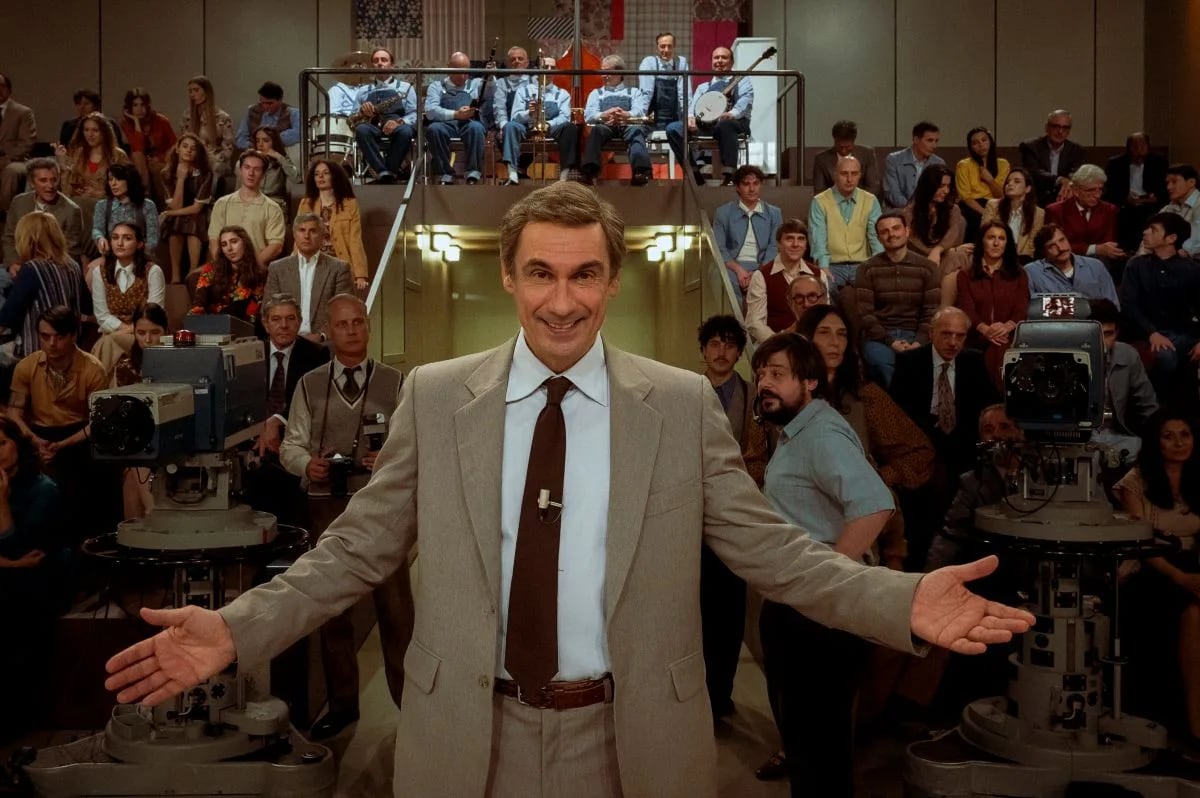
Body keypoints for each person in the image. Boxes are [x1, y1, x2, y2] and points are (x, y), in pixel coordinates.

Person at [104, 181, 1033, 798]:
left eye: (585, 274)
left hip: (632, 743)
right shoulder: (437, 397)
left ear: (613, 279)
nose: (562, 299)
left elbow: (775, 552)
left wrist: (901, 601)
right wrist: (237, 630)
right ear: (509, 276)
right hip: (468, 739)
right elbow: (353, 550)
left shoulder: (678, 407)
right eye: (541, 274)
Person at [752, 332, 893, 798]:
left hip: (817, 616)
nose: (764, 383)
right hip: (797, 605)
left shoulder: (822, 434)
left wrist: (824, 578)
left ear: (810, 380)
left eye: (777, 374)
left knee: (820, 749)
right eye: (761, 374)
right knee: (806, 745)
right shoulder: (796, 432)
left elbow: (874, 505)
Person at [278, 293, 413, 741]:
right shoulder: (309, 384)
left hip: (383, 509)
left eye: (358, 322)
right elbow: (290, 445)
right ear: (328, 331)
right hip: (327, 507)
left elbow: (415, 444)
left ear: (368, 326)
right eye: (342, 324)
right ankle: (342, 707)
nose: (352, 330)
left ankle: (410, 708)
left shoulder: (397, 382)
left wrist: (387, 459)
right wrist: (306, 465)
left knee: (397, 612)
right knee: (333, 609)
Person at [799, 304, 934, 567]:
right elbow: (755, 460)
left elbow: (920, 451)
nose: (835, 342)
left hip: (856, 528)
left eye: (841, 334)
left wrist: (879, 477)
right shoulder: (785, 396)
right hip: (799, 526)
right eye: (824, 332)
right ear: (806, 339)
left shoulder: (865, 397)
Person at [1114, 412, 1200, 753]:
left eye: (1185, 434)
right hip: (1152, 568)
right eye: (1168, 436)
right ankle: (1195, 727)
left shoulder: (1198, 478)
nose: (1179, 443)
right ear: (1155, 442)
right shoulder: (1135, 482)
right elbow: (1139, 541)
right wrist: (1181, 578)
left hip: (1193, 564)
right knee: (1193, 614)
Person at [695, 315, 766, 721]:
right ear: (703, 350)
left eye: (729, 344)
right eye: (714, 344)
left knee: (729, 612)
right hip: (691, 516)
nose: (721, 352)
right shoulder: (683, 392)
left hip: (736, 515)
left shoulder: (754, 397)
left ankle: (720, 695)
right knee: (693, 611)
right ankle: (695, 697)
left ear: (739, 352)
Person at [891, 306, 1000, 566]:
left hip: (962, 442)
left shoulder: (973, 361)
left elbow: (989, 405)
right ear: (931, 333)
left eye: (960, 336)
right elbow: (897, 413)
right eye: (946, 334)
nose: (953, 342)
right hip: (922, 441)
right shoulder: (910, 362)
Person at [7, 306, 115, 540]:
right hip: (37, 434)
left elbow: (99, 421)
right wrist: (35, 440)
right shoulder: (26, 366)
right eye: (45, 336)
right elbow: (14, 412)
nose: (51, 343)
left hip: (78, 435)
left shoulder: (92, 369)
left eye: (59, 337)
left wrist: (63, 445)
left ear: (73, 336)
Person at [0, 414, 66, 743]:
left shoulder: (43, 490)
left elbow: (24, 552)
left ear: (18, 446)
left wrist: (1, 504)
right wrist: (8, 564)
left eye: (1, 444)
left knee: (15, 598)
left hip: (41, 579)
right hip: (10, 575)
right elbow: (12, 560)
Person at [245, 293, 330, 528]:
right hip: (253, 442)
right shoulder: (249, 353)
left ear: (299, 321)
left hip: (294, 438)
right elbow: (242, 399)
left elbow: (313, 401)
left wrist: (277, 420)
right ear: (265, 323)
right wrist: (260, 427)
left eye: (290, 319)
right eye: (276, 319)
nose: (284, 325)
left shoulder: (316, 354)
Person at [854, 211, 940, 387]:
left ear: (907, 231)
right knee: (887, 365)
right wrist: (891, 342)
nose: (891, 234)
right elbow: (865, 315)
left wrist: (919, 342)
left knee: (918, 365)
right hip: (880, 336)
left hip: (917, 334)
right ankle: (901, 402)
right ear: (878, 238)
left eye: (896, 228)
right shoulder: (866, 269)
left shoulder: (928, 268)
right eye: (884, 231)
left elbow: (931, 311)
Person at [1118, 212, 1200, 393]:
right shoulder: (1136, 265)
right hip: (1145, 333)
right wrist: (1151, 332)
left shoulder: (1192, 269)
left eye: (1153, 230)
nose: (1145, 232)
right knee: (1165, 356)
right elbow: (1129, 304)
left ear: (1171, 238)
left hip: (1183, 334)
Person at [0, 213, 89, 363]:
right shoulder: (73, 265)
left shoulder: (31, 269)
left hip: (39, 352)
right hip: (71, 349)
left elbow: (8, 317)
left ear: (27, 239)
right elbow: (87, 307)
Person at [954, 221, 1030, 390]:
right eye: (991, 238)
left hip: (1009, 337)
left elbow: (1021, 309)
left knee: (1000, 348)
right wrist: (986, 330)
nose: (996, 243)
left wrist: (1005, 328)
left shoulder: (1019, 274)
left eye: (1001, 238)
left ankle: (995, 400)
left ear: (1007, 243)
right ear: (982, 241)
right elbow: (967, 309)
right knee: (994, 350)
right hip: (976, 337)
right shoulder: (965, 275)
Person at [112, 303, 168, 519]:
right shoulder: (126, 367)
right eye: (141, 333)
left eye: (155, 332)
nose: (148, 339)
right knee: (134, 469)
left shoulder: (180, 363)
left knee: (133, 476)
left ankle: (151, 518)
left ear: (166, 331)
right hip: (138, 440)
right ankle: (150, 519)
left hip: (170, 435)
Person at [90, 222, 166, 376]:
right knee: (109, 341)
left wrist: (134, 330)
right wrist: (123, 329)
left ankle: (98, 385)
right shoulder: (100, 272)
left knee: (108, 342)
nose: (120, 243)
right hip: (113, 332)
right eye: (115, 238)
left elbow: (154, 313)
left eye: (127, 238)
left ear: (139, 244)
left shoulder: (153, 271)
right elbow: (102, 316)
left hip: (145, 335)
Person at [1087, 299, 1157, 461]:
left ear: (1117, 333)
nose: (1101, 342)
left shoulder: (1127, 355)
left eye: (1108, 334)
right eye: (1095, 334)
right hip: (1076, 439)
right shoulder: (1065, 356)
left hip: (1114, 437)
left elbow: (1148, 407)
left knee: (1146, 448)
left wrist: (1158, 436)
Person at [673, 46, 753, 186]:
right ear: (711, 62)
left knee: (725, 124)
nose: (719, 60)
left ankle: (730, 174)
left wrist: (732, 113)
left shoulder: (742, 80)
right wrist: (691, 117)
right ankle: (693, 172)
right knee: (674, 129)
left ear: (732, 62)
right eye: (716, 58)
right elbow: (693, 108)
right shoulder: (703, 87)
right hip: (707, 126)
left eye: (724, 57)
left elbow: (745, 101)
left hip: (735, 124)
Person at [264, 214, 352, 342]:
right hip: (285, 341)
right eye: (302, 230)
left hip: (323, 343)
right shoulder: (277, 268)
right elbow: (267, 310)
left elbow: (344, 312)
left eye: (313, 231)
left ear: (323, 237)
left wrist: (322, 336)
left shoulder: (339, 268)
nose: (306, 236)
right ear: (294, 235)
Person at [498, 56, 582, 186]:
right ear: (538, 69)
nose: (548, 71)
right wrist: (529, 113)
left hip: (550, 128)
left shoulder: (562, 94)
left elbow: (564, 117)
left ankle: (563, 178)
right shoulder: (523, 91)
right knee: (510, 126)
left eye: (552, 68)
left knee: (570, 127)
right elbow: (515, 116)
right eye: (545, 67)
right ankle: (512, 174)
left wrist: (548, 124)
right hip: (528, 127)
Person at [744, 219, 828, 344]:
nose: (795, 244)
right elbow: (754, 322)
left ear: (806, 244)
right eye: (789, 239)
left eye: (801, 239)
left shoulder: (819, 274)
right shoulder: (761, 276)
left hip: (812, 344)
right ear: (778, 244)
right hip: (776, 344)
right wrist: (780, 341)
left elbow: (825, 315)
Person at [809, 155, 883, 290]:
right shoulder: (819, 201)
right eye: (844, 174)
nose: (849, 179)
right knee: (824, 288)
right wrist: (823, 267)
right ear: (835, 175)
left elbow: (876, 238)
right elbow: (818, 238)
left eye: (854, 174)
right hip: (832, 265)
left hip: (862, 264)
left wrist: (878, 266)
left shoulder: (870, 200)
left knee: (875, 288)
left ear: (860, 175)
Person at [297, 158, 370, 291]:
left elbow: (355, 240)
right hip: (312, 263)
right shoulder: (306, 204)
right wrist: (294, 267)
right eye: (317, 174)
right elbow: (298, 238)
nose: (320, 176)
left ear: (335, 176)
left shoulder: (350, 204)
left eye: (326, 173)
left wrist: (360, 275)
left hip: (339, 263)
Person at [712, 165, 783, 302]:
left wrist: (758, 272)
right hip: (732, 264)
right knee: (719, 276)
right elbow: (719, 247)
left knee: (775, 277)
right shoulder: (723, 213)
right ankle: (734, 316)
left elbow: (774, 247)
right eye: (746, 184)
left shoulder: (774, 213)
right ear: (738, 187)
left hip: (764, 264)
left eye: (756, 183)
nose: (752, 189)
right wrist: (738, 269)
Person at [581, 54, 653, 187]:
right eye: (602, 72)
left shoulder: (634, 92)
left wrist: (626, 115)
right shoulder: (596, 93)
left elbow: (640, 111)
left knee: (636, 131)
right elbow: (589, 115)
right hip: (605, 126)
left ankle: (641, 171)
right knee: (596, 131)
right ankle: (589, 171)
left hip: (627, 125)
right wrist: (604, 115)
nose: (604, 76)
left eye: (607, 71)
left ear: (619, 72)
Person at [207, 150, 285, 269]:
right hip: (226, 269)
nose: (251, 173)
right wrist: (224, 267)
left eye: (256, 169)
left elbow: (276, 246)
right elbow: (214, 239)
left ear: (263, 174)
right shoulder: (222, 204)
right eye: (247, 167)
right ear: (240, 170)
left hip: (256, 269)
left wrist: (250, 267)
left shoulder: (272, 208)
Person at [55, 112, 130, 237]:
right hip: (80, 202)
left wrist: (100, 193)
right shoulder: (79, 154)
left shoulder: (118, 156)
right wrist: (63, 166)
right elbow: (67, 192)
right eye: (86, 130)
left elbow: (129, 187)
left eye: (95, 130)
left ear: (104, 132)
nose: (90, 135)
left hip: (107, 203)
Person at [2, 158, 84, 270]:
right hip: (20, 264)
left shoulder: (71, 210)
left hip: (53, 269)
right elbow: (9, 238)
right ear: (32, 183)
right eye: (43, 180)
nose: (50, 186)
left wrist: (41, 270)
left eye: (54, 180)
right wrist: (13, 264)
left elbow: (70, 253)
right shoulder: (18, 202)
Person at [353, 48, 417, 185]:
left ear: (392, 65)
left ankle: (385, 174)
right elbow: (353, 117)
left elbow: (414, 113)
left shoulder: (406, 87)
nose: (380, 63)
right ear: (372, 65)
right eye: (376, 61)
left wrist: (400, 122)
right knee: (361, 130)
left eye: (384, 60)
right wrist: (362, 111)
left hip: (397, 126)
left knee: (406, 131)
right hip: (372, 127)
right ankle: (386, 172)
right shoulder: (363, 91)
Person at [424, 52, 487, 185]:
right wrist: (456, 114)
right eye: (459, 71)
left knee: (477, 128)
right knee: (434, 129)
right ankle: (445, 173)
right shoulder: (437, 86)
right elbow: (430, 111)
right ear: (449, 68)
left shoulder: (475, 84)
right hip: (446, 125)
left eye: (466, 71)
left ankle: (473, 173)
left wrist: (490, 76)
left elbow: (491, 90)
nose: (463, 76)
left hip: (467, 124)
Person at [159, 133, 214, 284]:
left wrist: (170, 212)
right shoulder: (166, 173)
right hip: (179, 213)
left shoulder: (205, 173)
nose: (189, 150)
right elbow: (176, 204)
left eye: (193, 148)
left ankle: (192, 272)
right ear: (177, 149)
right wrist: (181, 178)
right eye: (185, 146)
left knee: (192, 220)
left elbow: (197, 208)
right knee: (178, 221)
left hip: (199, 213)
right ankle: (175, 275)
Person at [1024, 223, 1120, 307]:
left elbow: (1113, 306)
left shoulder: (1095, 266)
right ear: (1043, 252)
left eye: (1062, 240)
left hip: (1094, 321)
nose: (1061, 248)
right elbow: (1032, 310)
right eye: (1051, 246)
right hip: (1053, 323)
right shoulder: (1032, 272)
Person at [1044, 164, 1123, 262]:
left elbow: (1108, 246)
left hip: (1100, 262)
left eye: (1100, 189)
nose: (1097, 195)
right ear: (1076, 191)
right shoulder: (1055, 211)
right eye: (1091, 190)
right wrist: (1094, 249)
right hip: (1065, 261)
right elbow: (1054, 246)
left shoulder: (1110, 210)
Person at [190, 226, 264, 328]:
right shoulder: (210, 270)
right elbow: (198, 305)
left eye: (234, 242)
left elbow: (252, 315)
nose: (229, 248)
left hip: (243, 328)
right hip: (211, 326)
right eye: (224, 244)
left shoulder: (258, 273)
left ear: (245, 243)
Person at [1105, 132, 1168, 253]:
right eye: (1135, 146)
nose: (1139, 150)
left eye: (1142, 146)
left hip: (1151, 204)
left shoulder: (1160, 161)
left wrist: (1154, 197)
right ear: (1128, 147)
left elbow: (1164, 187)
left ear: (1148, 146)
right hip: (1125, 204)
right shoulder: (1115, 163)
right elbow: (1110, 189)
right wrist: (1125, 197)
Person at [120, 87, 177, 205]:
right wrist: (136, 122)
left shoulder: (161, 121)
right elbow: (138, 147)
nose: (139, 109)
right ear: (129, 107)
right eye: (135, 105)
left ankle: (157, 203)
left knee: (157, 169)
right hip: (138, 161)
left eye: (142, 104)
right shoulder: (126, 123)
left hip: (161, 160)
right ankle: (145, 199)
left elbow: (175, 146)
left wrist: (160, 158)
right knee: (138, 156)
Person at [904, 163, 967, 268]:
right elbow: (911, 240)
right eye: (941, 186)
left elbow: (952, 233)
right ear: (928, 186)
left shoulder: (953, 209)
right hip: (918, 257)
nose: (946, 191)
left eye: (948, 186)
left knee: (958, 256)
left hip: (943, 254)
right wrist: (933, 253)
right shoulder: (910, 211)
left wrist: (938, 250)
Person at [1020, 109, 1086, 207]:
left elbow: (1076, 173)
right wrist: (1059, 179)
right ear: (1046, 128)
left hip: (1064, 198)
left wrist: (1068, 183)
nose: (1060, 131)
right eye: (1056, 126)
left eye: (1065, 128)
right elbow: (1033, 172)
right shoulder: (1030, 147)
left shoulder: (1077, 150)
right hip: (1037, 199)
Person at [91, 162, 159, 256]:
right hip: (111, 257)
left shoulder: (147, 206)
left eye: (118, 179)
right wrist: (100, 238)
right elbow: (97, 229)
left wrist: (140, 258)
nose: (113, 184)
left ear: (130, 180)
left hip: (140, 257)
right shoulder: (102, 205)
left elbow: (153, 239)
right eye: (110, 179)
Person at [955, 126, 1009, 241]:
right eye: (975, 143)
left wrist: (990, 180)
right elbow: (966, 197)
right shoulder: (963, 165)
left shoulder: (1003, 164)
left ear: (990, 141)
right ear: (971, 147)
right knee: (974, 220)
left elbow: (1001, 195)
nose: (981, 145)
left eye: (984, 140)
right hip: (972, 207)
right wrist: (986, 214)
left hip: (995, 205)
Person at [980, 167, 1044, 262]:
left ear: (1027, 189)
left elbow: (1031, 246)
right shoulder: (993, 205)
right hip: (994, 253)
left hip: (1022, 259)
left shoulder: (1038, 213)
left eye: (1016, 181)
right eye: (1008, 182)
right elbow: (985, 233)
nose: (1010, 184)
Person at [180, 75, 235, 183]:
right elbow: (184, 140)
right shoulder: (187, 116)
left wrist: (213, 159)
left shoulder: (222, 118)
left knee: (212, 170)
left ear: (206, 91)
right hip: (193, 157)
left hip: (216, 159)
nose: (192, 94)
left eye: (196, 90)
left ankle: (207, 193)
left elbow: (228, 147)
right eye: (190, 91)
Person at [638, 32, 689, 149]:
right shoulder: (649, 62)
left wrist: (688, 116)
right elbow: (646, 93)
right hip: (653, 120)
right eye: (662, 46)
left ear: (674, 47)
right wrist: (642, 118)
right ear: (657, 48)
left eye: (670, 46)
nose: (666, 50)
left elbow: (685, 94)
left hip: (675, 119)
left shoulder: (681, 62)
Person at [884, 121, 944, 209]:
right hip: (899, 210)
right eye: (930, 140)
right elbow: (893, 193)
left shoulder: (939, 163)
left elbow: (940, 194)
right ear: (916, 140)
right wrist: (912, 210)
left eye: (936, 141)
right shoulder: (894, 160)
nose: (934, 146)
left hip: (928, 211)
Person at [812, 120, 880, 196]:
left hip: (862, 200)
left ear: (853, 141)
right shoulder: (821, 159)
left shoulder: (866, 154)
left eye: (847, 147)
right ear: (834, 140)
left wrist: (857, 201)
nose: (843, 151)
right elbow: (819, 191)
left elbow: (873, 186)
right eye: (840, 147)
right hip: (831, 201)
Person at [0, 73, 37, 214]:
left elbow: (27, 142)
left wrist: (7, 159)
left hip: (16, 160)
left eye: (1, 86)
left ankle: (5, 214)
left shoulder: (23, 112)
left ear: (9, 89)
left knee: (11, 171)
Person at [234, 81, 301, 151]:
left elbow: (298, 134)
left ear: (280, 100)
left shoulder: (293, 113)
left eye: (270, 103)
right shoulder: (251, 111)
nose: (265, 106)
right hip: (255, 153)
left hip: (280, 154)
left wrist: (269, 141)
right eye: (262, 103)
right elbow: (240, 138)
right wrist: (254, 146)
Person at [251, 125, 300, 215]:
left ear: (274, 142)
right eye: (257, 141)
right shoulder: (250, 161)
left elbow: (296, 178)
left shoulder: (281, 159)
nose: (260, 145)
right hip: (254, 203)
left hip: (275, 203)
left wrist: (279, 157)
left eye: (265, 140)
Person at [59, 89, 125, 152]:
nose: (82, 107)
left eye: (86, 104)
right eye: (78, 104)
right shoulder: (69, 125)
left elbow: (117, 146)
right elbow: (65, 148)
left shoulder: (109, 123)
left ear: (95, 105)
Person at [1159, 163, 1200, 257]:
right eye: (1167, 183)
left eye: (1174, 182)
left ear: (1191, 182)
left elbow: (1197, 240)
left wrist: (1173, 254)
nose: (1168, 187)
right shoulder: (1171, 206)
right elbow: (1154, 229)